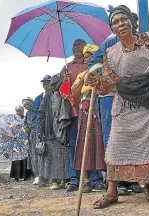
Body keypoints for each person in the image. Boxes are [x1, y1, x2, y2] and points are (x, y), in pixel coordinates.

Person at [84, 5, 149, 209]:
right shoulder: (111, 52)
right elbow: (108, 83)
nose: (120, 24)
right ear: (112, 28)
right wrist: (95, 79)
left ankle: (148, 186)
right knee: (116, 147)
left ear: (131, 21)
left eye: (123, 20)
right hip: (125, 104)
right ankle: (111, 191)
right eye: (115, 22)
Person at [88, 6, 143, 196]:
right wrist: (96, 73)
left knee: (135, 137)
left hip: (136, 97)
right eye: (116, 22)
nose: (124, 24)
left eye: (127, 20)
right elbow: (92, 64)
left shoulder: (142, 41)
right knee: (114, 139)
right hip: (111, 97)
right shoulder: (109, 44)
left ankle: (133, 178)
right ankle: (117, 181)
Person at [71, 44, 106, 193]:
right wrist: (81, 80)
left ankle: (98, 180)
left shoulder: (103, 71)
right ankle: (86, 181)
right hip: (85, 110)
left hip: (99, 108)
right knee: (84, 143)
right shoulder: (83, 74)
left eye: (89, 56)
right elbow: (73, 91)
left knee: (99, 143)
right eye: (85, 57)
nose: (87, 60)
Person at [60, 39, 88, 192]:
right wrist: (64, 81)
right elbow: (61, 93)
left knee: (90, 144)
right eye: (74, 45)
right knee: (74, 146)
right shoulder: (66, 67)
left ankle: (94, 178)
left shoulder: (91, 64)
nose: (77, 48)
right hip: (73, 113)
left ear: (85, 48)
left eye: (80, 45)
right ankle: (74, 179)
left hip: (90, 111)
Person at [38, 74, 70, 190]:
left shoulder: (63, 93)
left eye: (51, 84)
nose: (49, 86)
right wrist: (40, 130)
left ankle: (64, 179)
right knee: (52, 157)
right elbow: (41, 114)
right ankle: (55, 180)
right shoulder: (47, 97)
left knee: (64, 155)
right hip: (50, 131)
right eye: (47, 84)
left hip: (62, 130)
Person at [31, 75, 51, 185]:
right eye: (44, 83)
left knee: (52, 153)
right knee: (40, 152)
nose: (46, 85)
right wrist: (37, 126)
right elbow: (34, 113)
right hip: (40, 129)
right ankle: (40, 176)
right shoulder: (39, 98)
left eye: (48, 83)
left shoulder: (54, 96)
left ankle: (52, 176)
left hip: (52, 130)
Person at [10, 106, 32, 181]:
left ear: (23, 111)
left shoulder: (25, 118)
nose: (18, 112)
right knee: (16, 157)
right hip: (16, 140)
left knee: (25, 156)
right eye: (17, 111)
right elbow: (11, 129)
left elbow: (28, 127)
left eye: (20, 111)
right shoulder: (13, 119)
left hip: (25, 140)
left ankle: (26, 175)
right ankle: (16, 176)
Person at [22, 97, 39, 184]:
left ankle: (45, 175)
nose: (26, 106)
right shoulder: (27, 113)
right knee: (33, 156)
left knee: (41, 155)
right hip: (31, 136)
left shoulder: (38, 110)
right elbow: (24, 123)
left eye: (27, 104)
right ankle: (37, 175)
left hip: (39, 135)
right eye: (24, 106)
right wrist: (26, 127)